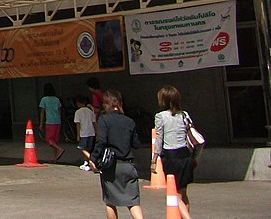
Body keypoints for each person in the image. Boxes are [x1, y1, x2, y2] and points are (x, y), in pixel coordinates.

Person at [89, 89, 145, 219]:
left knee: (110, 201)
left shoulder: (104, 119)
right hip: (128, 165)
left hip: (112, 166)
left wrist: (93, 158)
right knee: (133, 202)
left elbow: (101, 141)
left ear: (106, 104)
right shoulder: (129, 121)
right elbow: (136, 144)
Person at [154, 85, 196, 219]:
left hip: (171, 157)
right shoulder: (184, 114)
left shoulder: (160, 116)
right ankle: (185, 215)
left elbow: (159, 139)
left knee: (174, 193)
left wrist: (154, 160)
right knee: (183, 192)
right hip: (186, 155)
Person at [38, 83, 66, 161]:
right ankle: (55, 158)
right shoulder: (56, 99)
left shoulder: (44, 99)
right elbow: (60, 110)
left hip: (50, 121)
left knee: (48, 139)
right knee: (55, 141)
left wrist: (41, 124)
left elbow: (42, 112)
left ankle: (60, 149)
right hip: (58, 121)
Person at [74, 94, 97, 171]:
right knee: (89, 148)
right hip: (92, 132)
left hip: (84, 133)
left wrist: (77, 135)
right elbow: (94, 122)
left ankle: (92, 160)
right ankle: (86, 162)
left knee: (82, 148)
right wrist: (96, 132)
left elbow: (78, 124)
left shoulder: (78, 112)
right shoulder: (90, 111)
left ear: (78, 103)